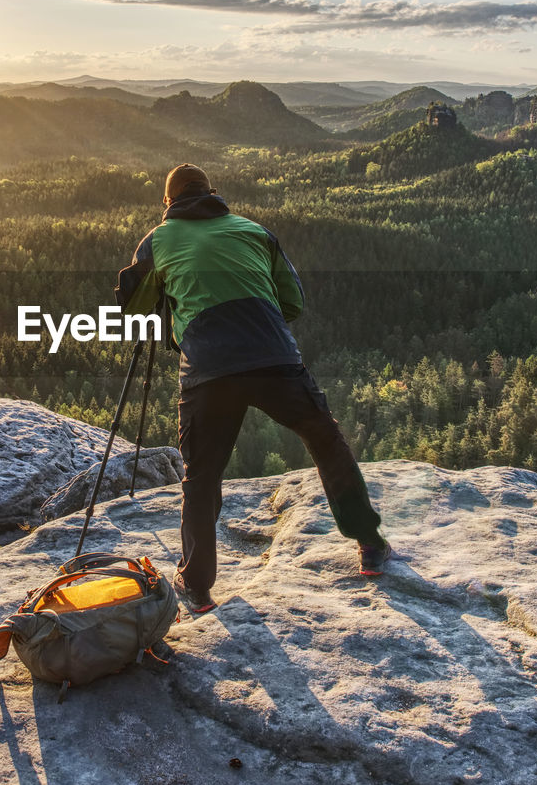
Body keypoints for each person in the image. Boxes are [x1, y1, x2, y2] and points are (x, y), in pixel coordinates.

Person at [116, 164, 391, 613]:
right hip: (274, 357)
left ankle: (198, 585)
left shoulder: (158, 240)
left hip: (208, 368)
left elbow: (134, 301)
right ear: (212, 193)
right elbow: (293, 302)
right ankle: (369, 544)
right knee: (325, 440)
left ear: (168, 203)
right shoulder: (254, 231)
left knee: (202, 475)